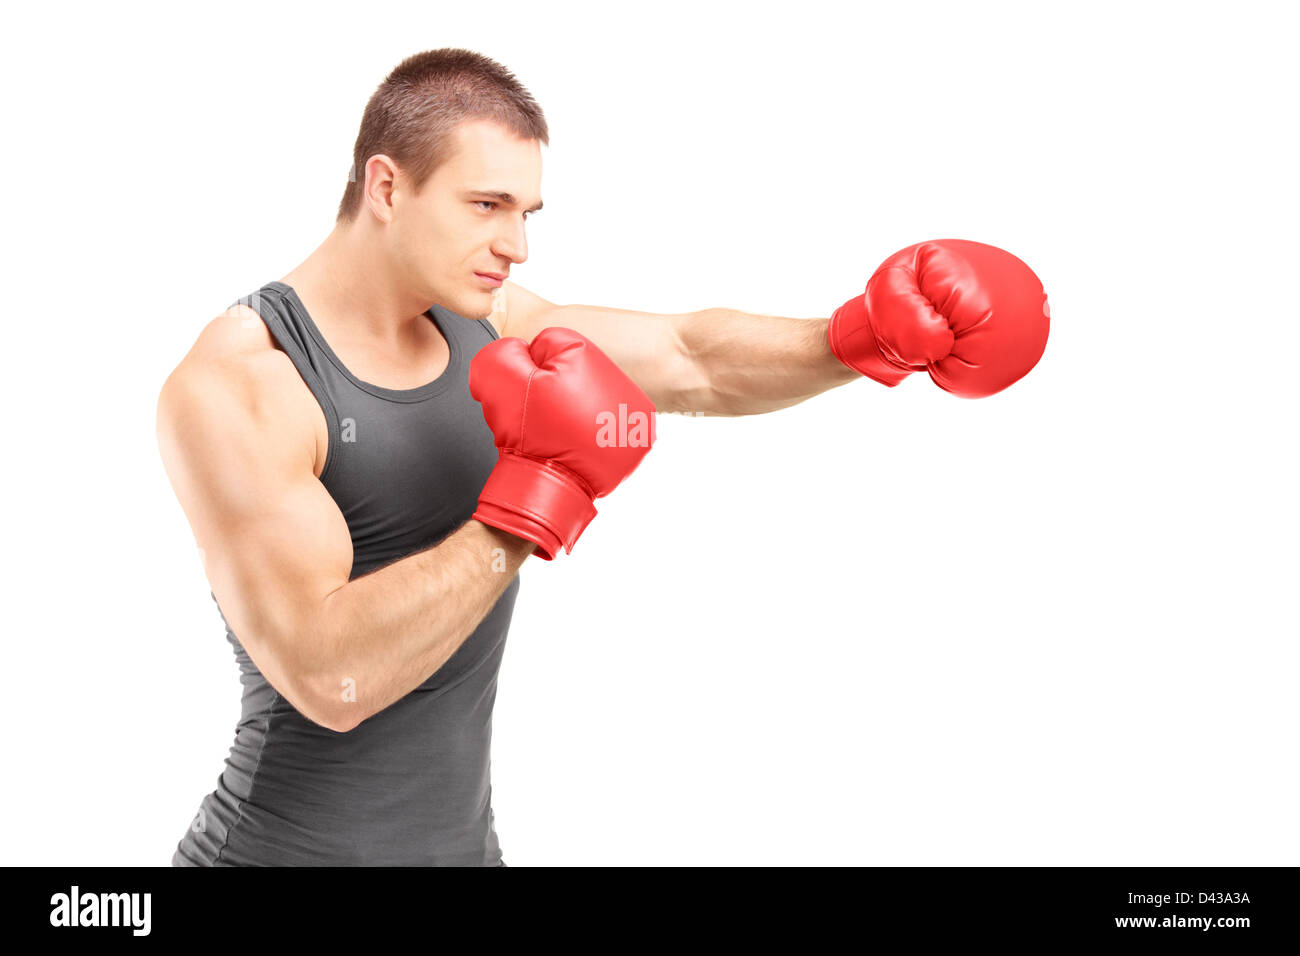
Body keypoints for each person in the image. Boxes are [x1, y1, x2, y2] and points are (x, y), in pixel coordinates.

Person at [156, 48, 1048, 866]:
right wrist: (536, 496)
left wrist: (864, 338)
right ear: (386, 187)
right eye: (486, 205)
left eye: (526, 211)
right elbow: (328, 676)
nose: (517, 244)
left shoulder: (481, 322)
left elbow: (694, 357)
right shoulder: (245, 381)